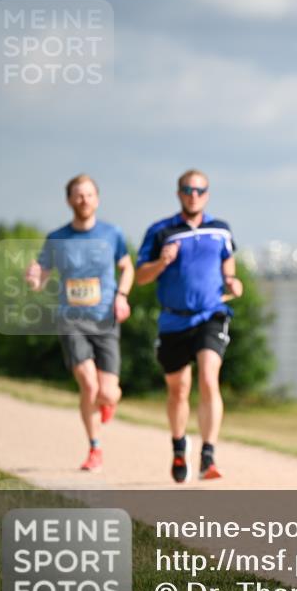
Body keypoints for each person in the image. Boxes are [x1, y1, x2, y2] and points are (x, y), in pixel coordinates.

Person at [135, 169, 243, 483]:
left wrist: (233, 283)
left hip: (211, 314)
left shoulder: (221, 229)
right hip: (173, 319)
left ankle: (208, 455)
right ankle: (179, 446)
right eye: (187, 189)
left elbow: (229, 269)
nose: (193, 195)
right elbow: (141, 276)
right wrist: (161, 263)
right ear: (179, 193)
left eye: (199, 190)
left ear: (207, 194)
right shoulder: (160, 231)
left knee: (209, 377)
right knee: (178, 389)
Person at [25, 174, 134, 472]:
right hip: (71, 319)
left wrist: (122, 296)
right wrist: (34, 279)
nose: (83, 200)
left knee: (107, 391)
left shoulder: (113, 234)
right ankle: (94, 448)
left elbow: (127, 268)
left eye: (88, 195)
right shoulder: (57, 238)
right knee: (88, 383)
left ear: (97, 199)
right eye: (78, 195)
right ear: (69, 200)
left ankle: (107, 402)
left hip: (105, 319)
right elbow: (42, 275)